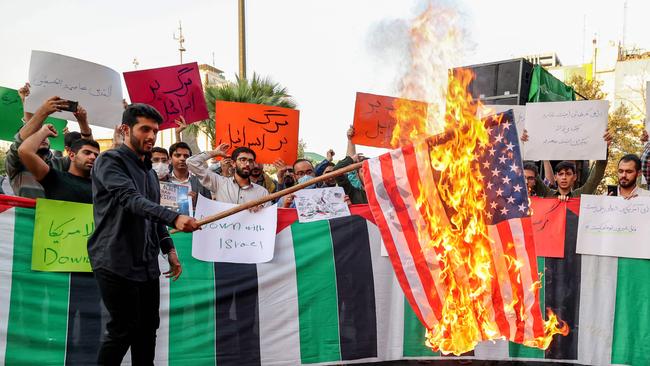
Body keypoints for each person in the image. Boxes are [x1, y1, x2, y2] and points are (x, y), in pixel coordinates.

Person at [88, 103, 199, 365]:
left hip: (146, 263)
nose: (151, 136)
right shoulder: (109, 161)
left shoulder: (149, 173)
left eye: (155, 131)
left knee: (147, 331)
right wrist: (175, 217)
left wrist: (169, 249)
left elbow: (154, 214)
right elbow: (131, 199)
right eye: (145, 129)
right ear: (126, 129)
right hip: (114, 259)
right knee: (122, 330)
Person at [5, 96, 93, 198]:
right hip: (28, 214)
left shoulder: (59, 164)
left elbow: (88, 152)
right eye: (38, 135)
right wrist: (43, 112)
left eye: (45, 136)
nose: (42, 138)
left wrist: (83, 123)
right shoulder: (16, 165)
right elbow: (19, 143)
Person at [523, 129, 612, 200]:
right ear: (555, 177)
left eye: (568, 174)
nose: (564, 177)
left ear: (574, 177)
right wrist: (528, 144)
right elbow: (531, 172)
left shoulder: (580, 195)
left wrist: (603, 149)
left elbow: (596, 177)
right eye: (560, 174)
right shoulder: (547, 194)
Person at [18, 125, 99, 202]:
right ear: (71, 155)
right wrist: (43, 131)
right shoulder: (55, 178)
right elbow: (25, 151)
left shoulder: (100, 186)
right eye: (87, 153)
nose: (93, 157)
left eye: (96, 155)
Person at [187, 144, 268, 206]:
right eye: (242, 160)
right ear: (233, 163)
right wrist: (214, 153)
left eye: (250, 161)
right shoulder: (219, 183)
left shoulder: (262, 193)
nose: (247, 164)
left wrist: (259, 211)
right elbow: (191, 162)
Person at [162, 141, 211, 210]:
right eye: (178, 155)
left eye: (186, 156)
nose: (182, 159)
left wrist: (195, 205)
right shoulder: (163, 183)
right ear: (170, 159)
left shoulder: (201, 182)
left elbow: (209, 208)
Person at [333, 126, 368, 204]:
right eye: (363, 170)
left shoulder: (385, 193)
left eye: (369, 169)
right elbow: (337, 171)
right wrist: (351, 159)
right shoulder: (353, 193)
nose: (367, 173)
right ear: (357, 176)